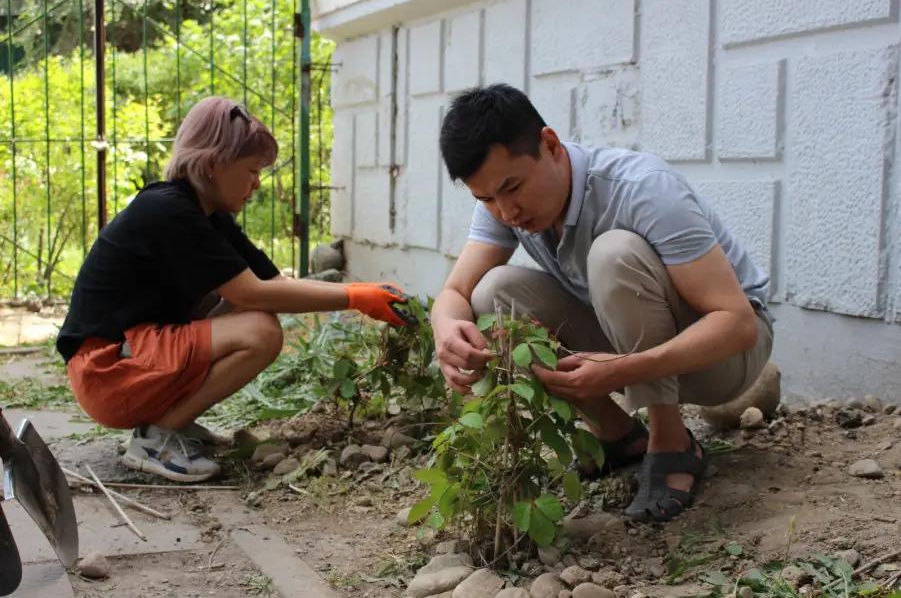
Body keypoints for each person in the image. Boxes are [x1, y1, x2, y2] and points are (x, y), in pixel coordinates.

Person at [431, 84, 773, 522]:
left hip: (726, 357)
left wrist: (624, 370)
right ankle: (618, 434)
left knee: (614, 255)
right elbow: (456, 293)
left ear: (550, 145)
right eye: (486, 199)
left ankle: (672, 440)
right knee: (494, 292)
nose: (506, 212)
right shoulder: (502, 205)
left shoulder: (642, 188)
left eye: (511, 188)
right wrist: (445, 329)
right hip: (630, 337)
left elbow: (738, 323)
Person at [57, 97, 410, 482]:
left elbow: (275, 286)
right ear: (212, 165)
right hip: (106, 371)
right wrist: (356, 298)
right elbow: (253, 296)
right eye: (252, 170)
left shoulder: (207, 215)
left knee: (246, 313)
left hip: (130, 357)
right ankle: (155, 438)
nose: (257, 184)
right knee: (260, 331)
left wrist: (362, 290)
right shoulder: (169, 212)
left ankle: (169, 423)